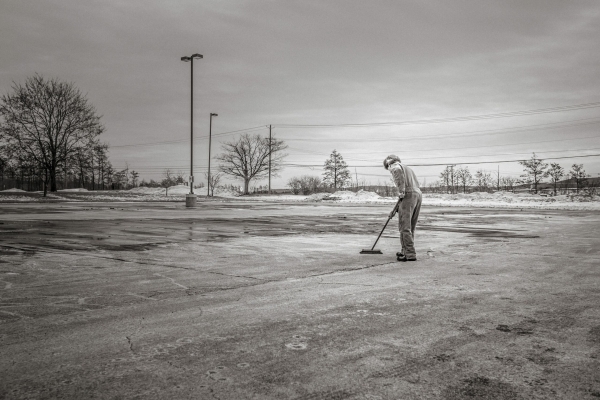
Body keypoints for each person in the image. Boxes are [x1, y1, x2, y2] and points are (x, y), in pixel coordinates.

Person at [383, 154, 422, 262]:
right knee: (410, 226)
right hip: (417, 194)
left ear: (388, 163)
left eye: (387, 167)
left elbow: (401, 183)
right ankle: (405, 251)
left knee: (404, 226)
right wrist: (395, 210)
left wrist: (401, 191)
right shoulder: (407, 168)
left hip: (409, 194)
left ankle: (409, 254)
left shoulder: (395, 167)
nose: (389, 169)